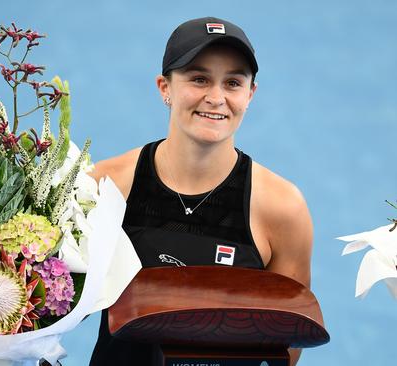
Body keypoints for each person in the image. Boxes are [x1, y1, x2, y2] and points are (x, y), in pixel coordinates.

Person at [88, 17, 313, 366]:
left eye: (233, 83)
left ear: (250, 94)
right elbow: (58, 305)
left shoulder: (282, 207)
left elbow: (287, 344)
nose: (216, 98)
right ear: (165, 87)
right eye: (199, 79)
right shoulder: (106, 185)